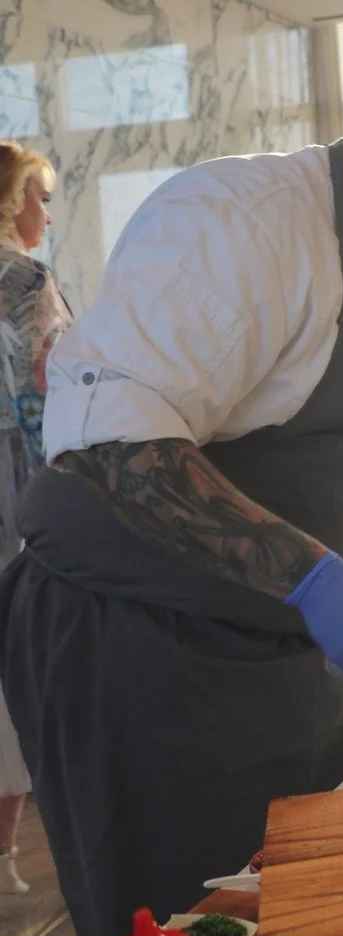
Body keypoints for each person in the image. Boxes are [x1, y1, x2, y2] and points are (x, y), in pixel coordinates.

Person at [0, 59, 343, 936]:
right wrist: (314, 578)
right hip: (136, 649)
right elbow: (115, 450)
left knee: (323, 896)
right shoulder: (235, 222)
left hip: (284, 650)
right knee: (193, 918)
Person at [0, 143, 71, 897]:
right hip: (19, 481)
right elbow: (57, 385)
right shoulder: (26, 280)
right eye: (39, 197)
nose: (45, 213)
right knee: (18, 648)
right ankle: (5, 856)